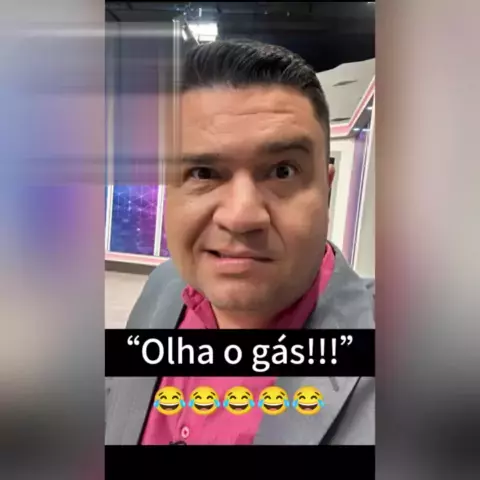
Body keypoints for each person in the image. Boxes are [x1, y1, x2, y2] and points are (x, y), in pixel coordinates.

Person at [105, 39, 374, 445]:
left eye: (282, 171)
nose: (241, 216)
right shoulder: (163, 288)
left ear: (327, 188)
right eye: (203, 172)